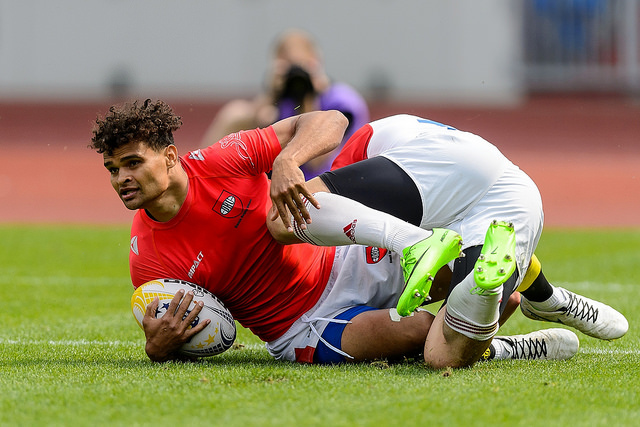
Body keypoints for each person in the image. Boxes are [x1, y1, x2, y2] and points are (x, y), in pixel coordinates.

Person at [90, 100, 617, 367]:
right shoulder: (147, 256)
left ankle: (538, 293)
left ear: (169, 157)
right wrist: (159, 347)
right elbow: (171, 322)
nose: (123, 180)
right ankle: (512, 342)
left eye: (132, 163)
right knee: (423, 335)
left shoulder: (222, 160)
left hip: (347, 251)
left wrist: (287, 162)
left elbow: (331, 120)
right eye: (114, 170)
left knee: (461, 274)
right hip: (303, 326)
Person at [266, 113, 628, 368]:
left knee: (289, 217)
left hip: (443, 165)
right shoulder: (395, 142)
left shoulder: (374, 145)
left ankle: (500, 294)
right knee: (443, 356)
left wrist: (287, 163)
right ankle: (529, 300)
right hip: (513, 197)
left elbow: (310, 211)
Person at [201, 28, 370, 179]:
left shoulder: (342, 100)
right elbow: (255, 127)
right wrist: (272, 93)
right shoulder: (283, 96)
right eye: (288, 67)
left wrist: (309, 97)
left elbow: (316, 162)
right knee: (235, 112)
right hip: (279, 176)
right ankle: (201, 173)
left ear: (316, 64)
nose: (295, 75)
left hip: (325, 180)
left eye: (302, 66)